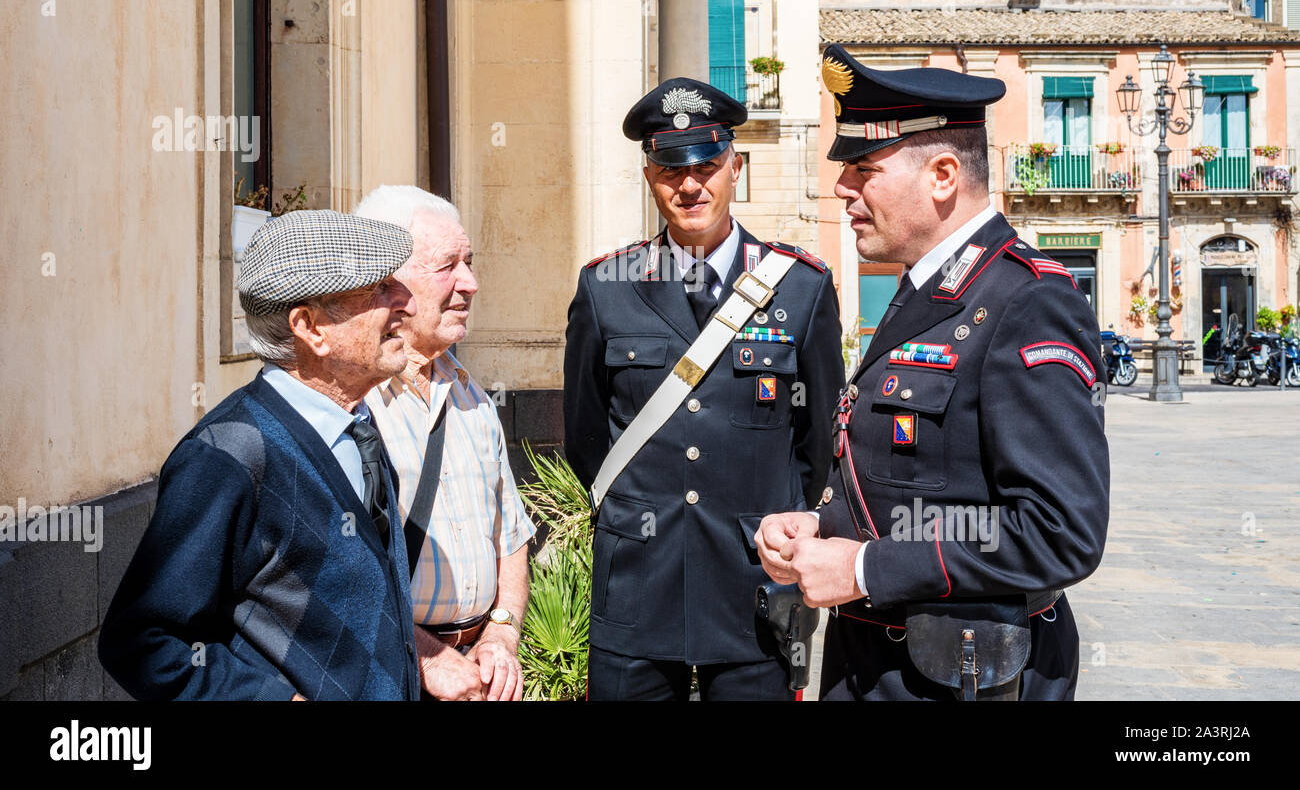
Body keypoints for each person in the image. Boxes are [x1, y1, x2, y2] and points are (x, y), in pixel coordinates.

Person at [756, 45, 1110, 701]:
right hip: (880, 663)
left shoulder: (1027, 301)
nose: (842, 189)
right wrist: (828, 532)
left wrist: (864, 565)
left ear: (943, 174)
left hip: (967, 677)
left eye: (862, 168)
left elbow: (1061, 531)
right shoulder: (935, 287)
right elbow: (928, 485)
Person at [564, 77, 843, 700]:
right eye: (670, 169)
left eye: (708, 165)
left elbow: (817, 442)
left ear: (735, 168)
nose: (690, 185)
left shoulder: (799, 288)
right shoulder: (605, 287)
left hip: (754, 586)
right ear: (649, 176)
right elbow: (586, 441)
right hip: (638, 582)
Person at [99, 210, 422, 700]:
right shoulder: (229, 455)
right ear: (310, 327)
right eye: (378, 287)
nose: (406, 301)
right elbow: (141, 642)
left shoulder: (357, 426)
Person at [355, 185, 535, 702]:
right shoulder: (351, 402)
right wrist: (428, 657)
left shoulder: (471, 394)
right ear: (386, 279)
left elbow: (510, 534)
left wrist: (501, 632)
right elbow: (324, 576)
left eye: (470, 262)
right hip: (390, 670)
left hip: (479, 673)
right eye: (447, 266)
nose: (471, 283)